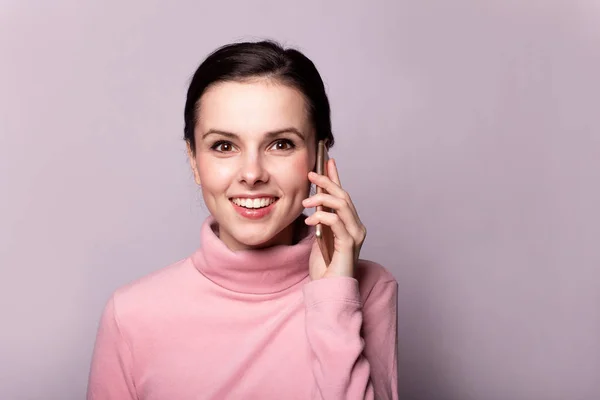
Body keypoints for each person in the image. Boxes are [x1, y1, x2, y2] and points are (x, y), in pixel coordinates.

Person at [87, 40, 399, 400]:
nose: (252, 174)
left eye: (281, 144)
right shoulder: (131, 315)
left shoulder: (368, 289)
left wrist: (334, 298)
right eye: (224, 145)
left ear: (320, 155)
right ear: (193, 160)